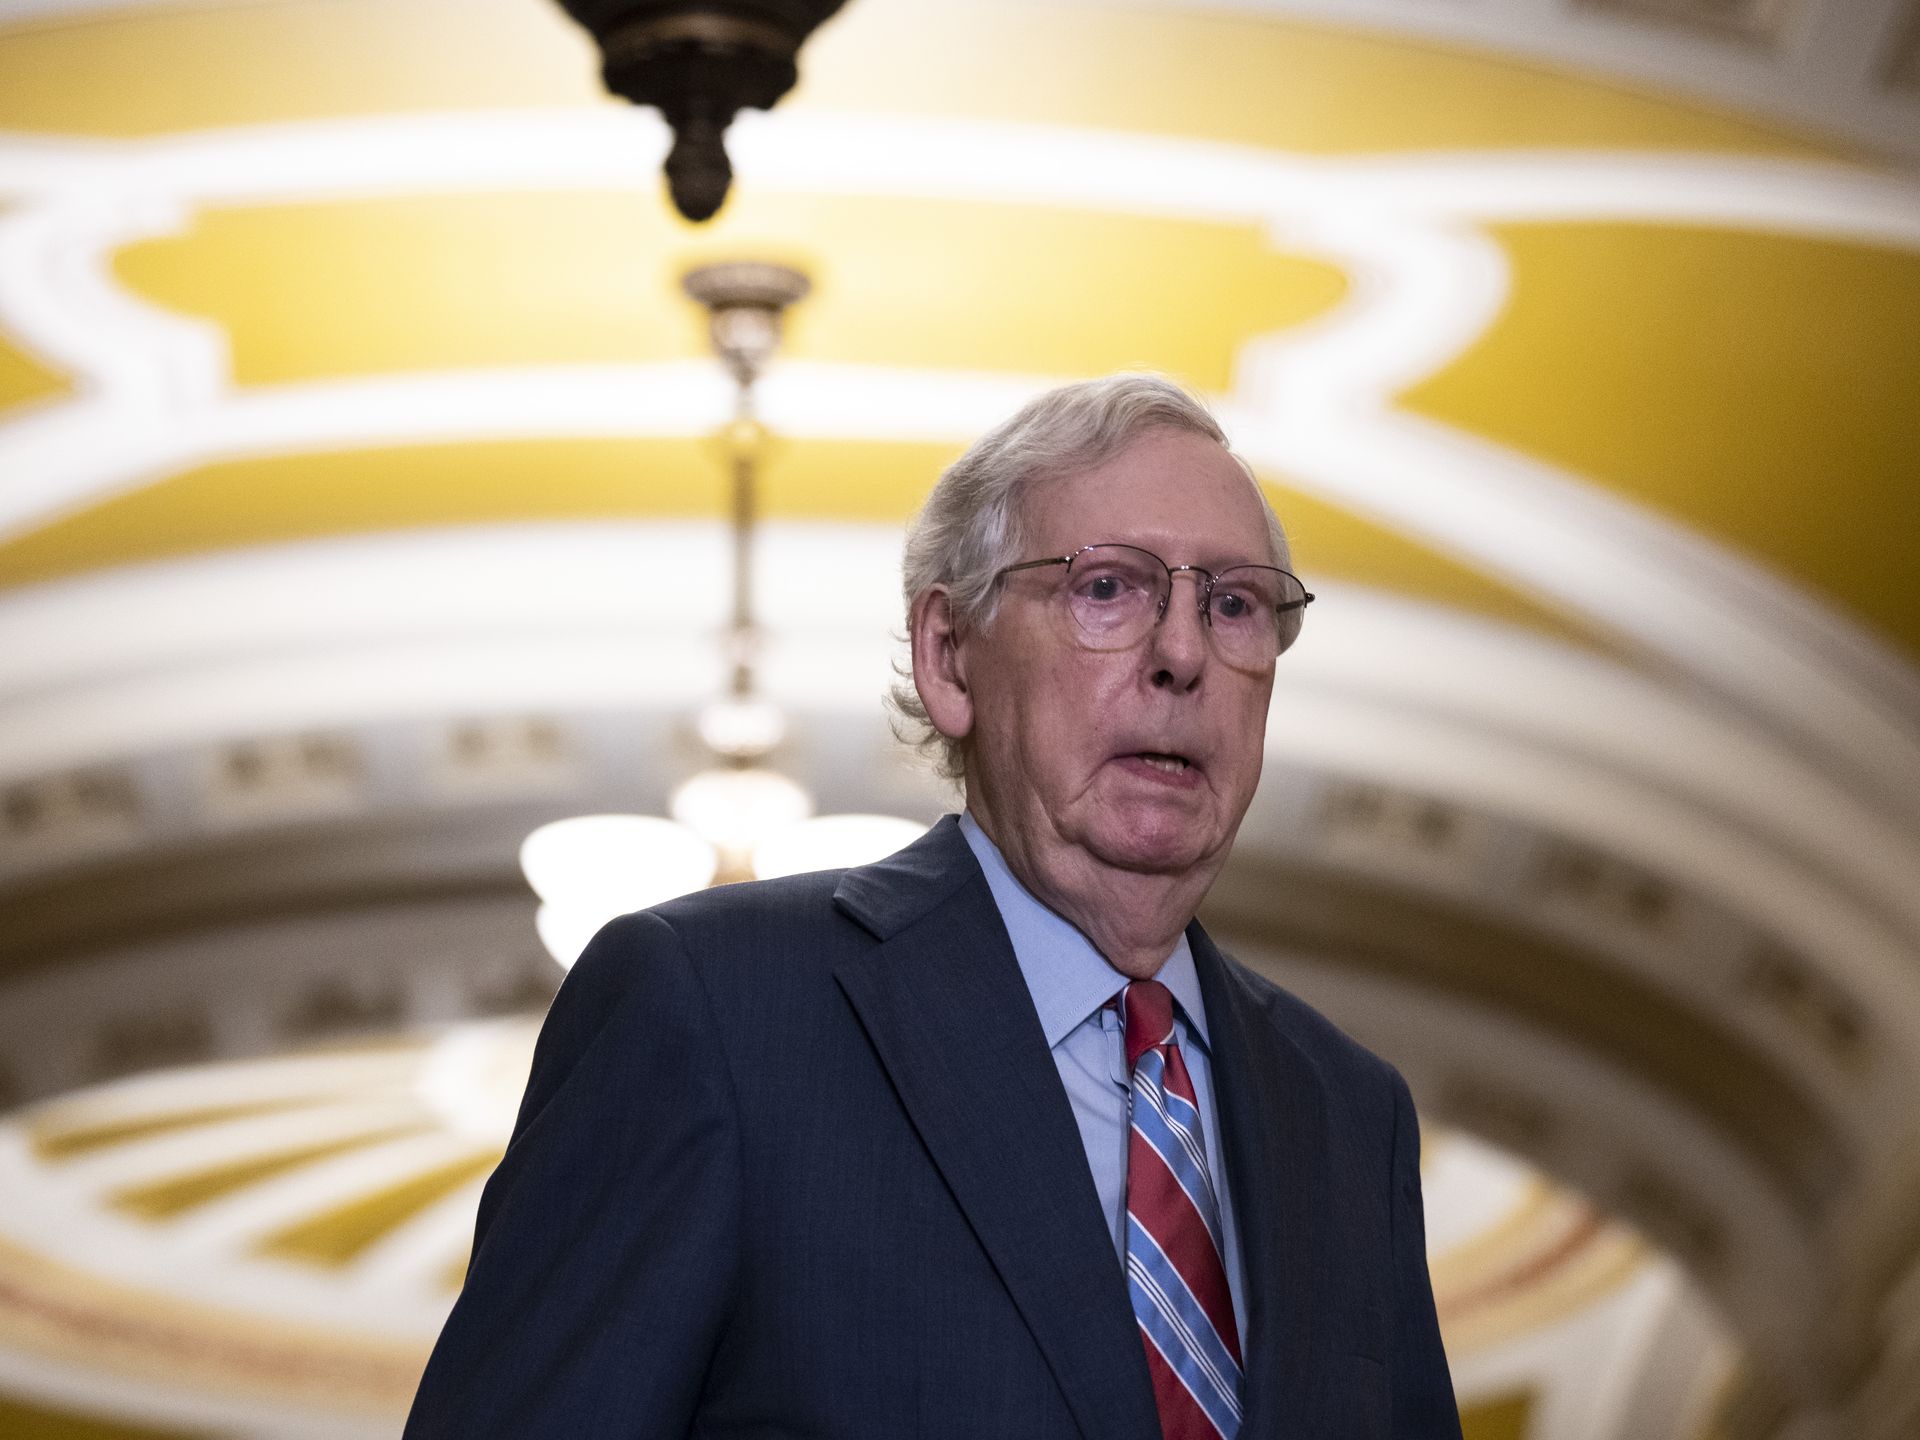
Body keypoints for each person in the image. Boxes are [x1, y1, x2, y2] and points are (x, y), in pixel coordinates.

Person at [404, 374, 1461, 1439]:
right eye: (1108, 588)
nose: (1182, 652)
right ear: (950, 656)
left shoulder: (1349, 1115)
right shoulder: (711, 1013)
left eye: (1233, 603)